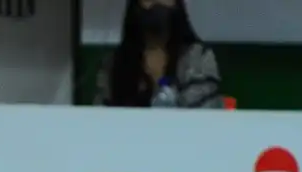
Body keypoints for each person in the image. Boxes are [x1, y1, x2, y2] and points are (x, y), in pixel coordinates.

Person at [93, 0, 224, 109]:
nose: (157, 3)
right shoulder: (113, 64)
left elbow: (207, 115)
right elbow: (101, 119)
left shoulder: (198, 57)